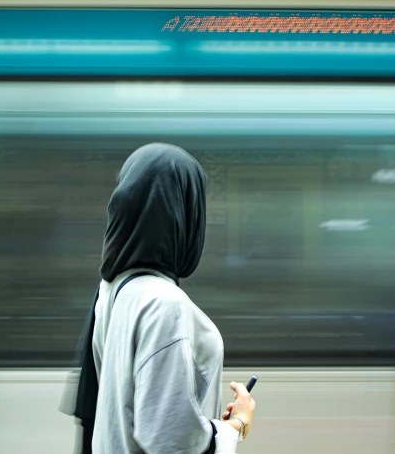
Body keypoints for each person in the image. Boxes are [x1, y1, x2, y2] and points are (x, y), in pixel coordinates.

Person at [62, 143, 256, 454]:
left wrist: (204, 425)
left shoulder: (112, 290)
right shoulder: (165, 304)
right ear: (185, 215)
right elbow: (169, 438)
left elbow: (125, 408)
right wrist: (236, 427)